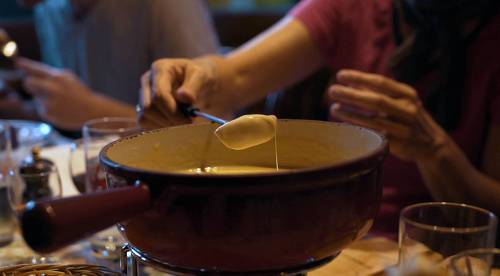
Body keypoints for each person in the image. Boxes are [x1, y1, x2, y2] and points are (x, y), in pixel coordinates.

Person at [139, 0, 500, 236]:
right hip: (339, 240)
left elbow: (492, 213)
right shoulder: (355, 7)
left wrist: (435, 149)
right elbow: (234, 77)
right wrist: (194, 77)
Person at [7, 0, 219, 131]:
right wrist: (29, 110)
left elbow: (213, 127)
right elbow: (69, 115)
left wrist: (95, 113)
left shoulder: (167, 5)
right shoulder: (48, 9)